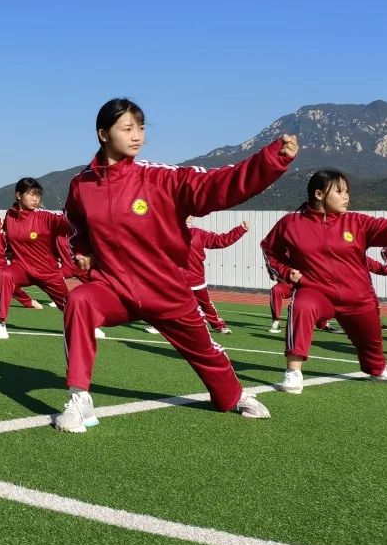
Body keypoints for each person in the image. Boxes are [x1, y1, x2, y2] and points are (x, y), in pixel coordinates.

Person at [54, 97, 298, 433]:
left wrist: (271, 160)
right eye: (127, 128)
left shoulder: (159, 178)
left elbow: (216, 185)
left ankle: (233, 394)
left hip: (166, 288)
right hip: (114, 287)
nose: (137, 135)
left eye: (141, 128)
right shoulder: (81, 185)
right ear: (103, 134)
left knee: (206, 355)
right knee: (79, 301)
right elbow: (75, 227)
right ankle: (80, 399)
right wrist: (81, 251)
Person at [261, 169, 387, 394]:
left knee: (372, 344)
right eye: (340, 191)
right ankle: (293, 371)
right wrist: (285, 271)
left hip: (357, 296)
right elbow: (270, 249)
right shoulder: (291, 223)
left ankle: (378, 370)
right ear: (319, 194)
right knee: (301, 305)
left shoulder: (357, 222)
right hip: (316, 291)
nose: (346, 196)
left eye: (347, 191)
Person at [0, 178, 72, 340]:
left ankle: (89, 325)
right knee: (5, 274)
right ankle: (0, 324)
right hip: (22, 269)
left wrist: (79, 209)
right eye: (31, 194)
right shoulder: (10, 215)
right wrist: (9, 250)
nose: (35, 199)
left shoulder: (44, 217)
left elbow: (67, 222)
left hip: (48, 272)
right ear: (18, 195)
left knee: (71, 307)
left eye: (38, 195)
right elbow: (9, 236)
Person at [182, 217, 248, 334]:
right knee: (166, 301)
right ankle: (159, 324)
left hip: (196, 278)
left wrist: (240, 229)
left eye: (190, 213)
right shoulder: (168, 231)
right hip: (175, 278)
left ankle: (218, 325)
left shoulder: (199, 233)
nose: (188, 215)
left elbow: (220, 241)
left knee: (205, 305)